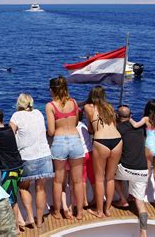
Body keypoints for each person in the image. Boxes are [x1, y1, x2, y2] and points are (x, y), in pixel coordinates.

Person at [10, 93, 54, 228]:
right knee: (41, 189)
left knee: (23, 187)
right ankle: (40, 221)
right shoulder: (38, 113)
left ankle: (29, 216)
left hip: (27, 157)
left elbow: (10, 134)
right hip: (45, 155)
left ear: (19, 104)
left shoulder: (16, 116)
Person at [46, 76, 84, 220]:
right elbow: (74, 124)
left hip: (60, 142)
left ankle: (57, 211)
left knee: (58, 181)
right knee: (78, 181)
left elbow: (51, 131)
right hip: (75, 140)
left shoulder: (50, 106)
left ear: (52, 90)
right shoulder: (74, 103)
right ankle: (79, 213)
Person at [84, 85, 123, 218]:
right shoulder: (110, 107)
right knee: (110, 178)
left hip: (101, 141)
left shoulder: (88, 107)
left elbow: (90, 129)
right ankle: (108, 209)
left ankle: (99, 211)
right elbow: (115, 125)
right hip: (117, 140)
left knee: (99, 179)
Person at [115, 105, 149, 237]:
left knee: (112, 176)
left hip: (126, 169)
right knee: (140, 203)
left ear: (118, 116)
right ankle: (143, 231)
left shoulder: (118, 128)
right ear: (130, 116)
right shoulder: (140, 127)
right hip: (142, 170)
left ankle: (123, 199)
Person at [129, 99, 155, 209]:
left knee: (146, 174)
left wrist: (129, 118)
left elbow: (136, 125)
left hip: (149, 147)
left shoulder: (146, 119)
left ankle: (140, 198)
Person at [77, 109, 95, 207]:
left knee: (82, 179)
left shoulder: (74, 128)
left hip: (82, 155)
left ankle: (84, 201)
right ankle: (96, 198)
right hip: (90, 152)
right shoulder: (84, 126)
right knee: (92, 177)